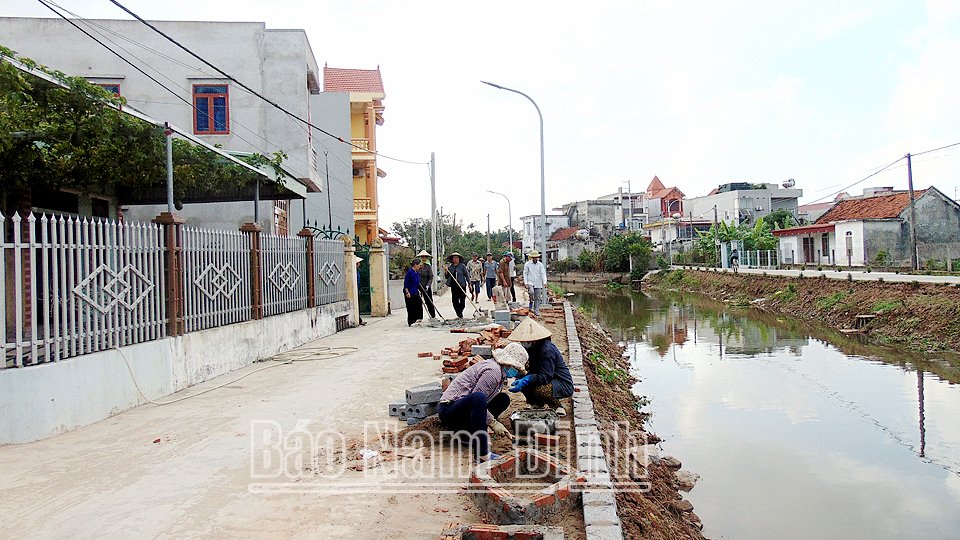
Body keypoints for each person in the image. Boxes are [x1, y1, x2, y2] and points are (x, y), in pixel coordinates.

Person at [438, 342, 528, 462]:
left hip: (462, 408)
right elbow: (477, 400)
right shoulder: (493, 372)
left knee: (503, 399)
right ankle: (482, 454)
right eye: (515, 368)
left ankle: (467, 431)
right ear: (508, 364)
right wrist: (493, 423)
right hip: (448, 409)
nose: (515, 372)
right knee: (479, 398)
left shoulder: (499, 372)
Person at [507, 318, 574, 416]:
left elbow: (545, 377)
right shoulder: (531, 349)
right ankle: (537, 404)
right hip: (547, 379)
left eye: (527, 341)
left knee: (541, 389)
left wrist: (528, 379)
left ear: (535, 340)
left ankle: (557, 406)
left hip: (561, 383)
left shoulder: (547, 351)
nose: (524, 343)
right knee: (521, 377)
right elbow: (531, 368)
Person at [445, 252, 470, 318]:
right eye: (454, 258)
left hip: (461, 285)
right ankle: (459, 315)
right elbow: (447, 276)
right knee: (455, 301)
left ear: (459, 259)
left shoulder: (462, 266)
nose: (455, 259)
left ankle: (460, 312)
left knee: (462, 300)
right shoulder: (450, 267)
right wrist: (446, 271)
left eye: (457, 258)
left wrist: (469, 284)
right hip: (454, 286)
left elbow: (466, 275)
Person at [522, 250, 547, 316]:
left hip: (538, 283)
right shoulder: (528, 264)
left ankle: (536, 310)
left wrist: (544, 282)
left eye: (536, 257)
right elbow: (525, 273)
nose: (535, 258)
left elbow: (543, 273)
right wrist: (526, 282)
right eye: (534, 257)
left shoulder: (540, 265)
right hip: (530, 281)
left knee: (537, 297)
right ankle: (530, 300)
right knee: (531, 292)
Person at [403, 259, 424, 326]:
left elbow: (417, 283)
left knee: (416, 306)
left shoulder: (416, 273)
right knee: (410, 307)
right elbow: (406, 283)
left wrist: (418, 290)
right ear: (415, 265)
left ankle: (415, 320)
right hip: (409, 292)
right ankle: (411, 321)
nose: (420, 267)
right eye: (419, 265)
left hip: (415, 291)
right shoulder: (410, 272)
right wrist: (407, 292)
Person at [416, 250, 437, 319]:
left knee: (429, 301)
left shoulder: (428, 267)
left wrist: (428, 285)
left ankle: (433, 315)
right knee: (418, 302)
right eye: (422, 257)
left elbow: (431, 277)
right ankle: (419, 317)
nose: (424, 259)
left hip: (426, 286)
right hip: (419, 286)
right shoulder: (417, 267)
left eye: (425, 257)